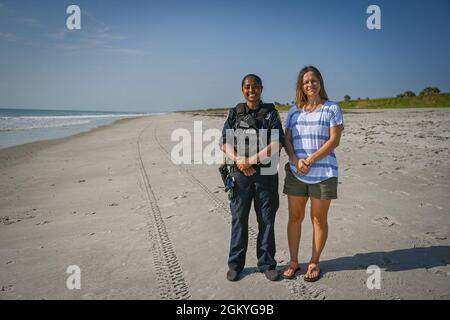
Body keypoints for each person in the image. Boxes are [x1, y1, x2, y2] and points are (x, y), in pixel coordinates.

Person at [282, 66, 344, 282]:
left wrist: (311, 159)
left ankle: (314, 261)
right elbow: (287, 140)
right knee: (295, 218)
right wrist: (295, 160)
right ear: (301, 86)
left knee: (318, 220)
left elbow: (334, 140)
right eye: (306, 81)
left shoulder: (332, 108)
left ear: (320, 83)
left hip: (324, 173)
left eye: (314, 80)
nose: (310, 84)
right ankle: (293, 261)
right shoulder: (293, 111)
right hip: (296, 172)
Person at [220, 74, 285, 281]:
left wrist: (251, 161)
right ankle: (236, 265)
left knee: (266, 220)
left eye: (255, 87)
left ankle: (267, 263)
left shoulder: (271, 113)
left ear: (261, 89)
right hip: (240, 175)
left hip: (266, 175)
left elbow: (277, 144)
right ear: (242, 90)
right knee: (239, 219)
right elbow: (224, 142)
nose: (251, 90)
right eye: (247, 87)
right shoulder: (235, 113)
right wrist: (239, 159)